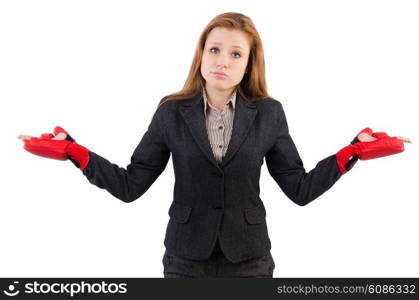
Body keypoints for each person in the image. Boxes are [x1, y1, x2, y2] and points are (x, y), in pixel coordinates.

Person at [18, 12, 411, 278]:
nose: (222, 60)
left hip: (250, 262)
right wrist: (75, 151)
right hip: (186, 261)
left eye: (235, 53)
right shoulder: (171, 112)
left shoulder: (269, 113)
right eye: (215, 49)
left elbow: (299, 189)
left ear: (248, 63)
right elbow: (129, 185)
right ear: (202, 54)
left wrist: (351, 153)